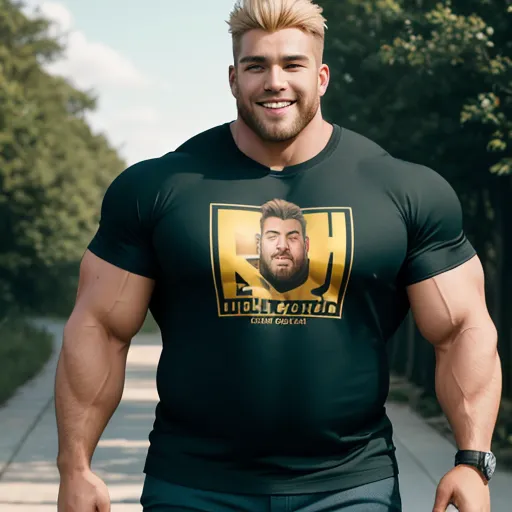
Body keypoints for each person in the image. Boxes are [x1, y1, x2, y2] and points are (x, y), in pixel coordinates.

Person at [54, 0, 502, 511]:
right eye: (256, 65)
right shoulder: (158, 187)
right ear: (232, 78)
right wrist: (76, 468)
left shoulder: (403, 190)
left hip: (352, 488)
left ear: (323, 76)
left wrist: (473, 461)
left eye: (293, 64)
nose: (274, 81)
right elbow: (99, 327)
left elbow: (463, 327)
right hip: (192, 485)